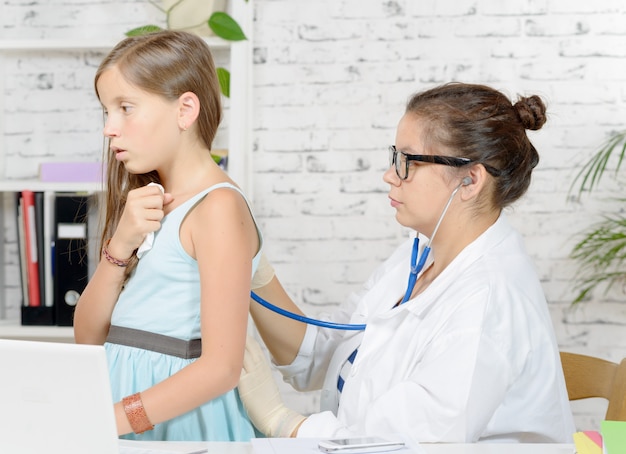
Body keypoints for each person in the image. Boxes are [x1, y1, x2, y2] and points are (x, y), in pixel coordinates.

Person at [238, 82, 576, 443]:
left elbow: (405, 446)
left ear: (470, 179)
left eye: (408, 161)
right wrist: (252, 264)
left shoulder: (489, 302)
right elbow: (321, 353)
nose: (389, 174)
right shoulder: (416, 258)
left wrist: (283, 422)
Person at [73, 30, 261, 441]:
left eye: (125, 108)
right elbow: (88, 337)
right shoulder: (145, 205)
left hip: (177, 424)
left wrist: (114, 420)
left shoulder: (218, 209)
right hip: (119, 415)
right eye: (105, 112)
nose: (109, 128)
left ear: (185, 110)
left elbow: (221, 368)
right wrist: (119, 245)